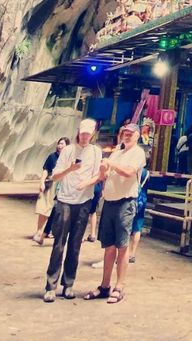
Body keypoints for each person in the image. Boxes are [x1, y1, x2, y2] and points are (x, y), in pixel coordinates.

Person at [84, 122, 146, 304]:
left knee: (122, 246)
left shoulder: (138, 153)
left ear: (138, 136)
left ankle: (119, 286)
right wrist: (103, 168)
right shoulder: (117, 153)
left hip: (125, 203)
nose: (126, 135)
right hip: (109, 203)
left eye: (130, 133)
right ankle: (104, 285)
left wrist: (111, 163)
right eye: (124, 132)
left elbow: (128, 172)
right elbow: (104, 176)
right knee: (109, 246)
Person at [43, 119, 102, 302]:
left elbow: (98, 175)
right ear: (78, 132)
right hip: (65, 201)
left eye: (88, 133)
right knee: (59, 243)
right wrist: (71, 168)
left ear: (92, 134)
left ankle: (68, 284)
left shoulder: (95, 152)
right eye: (82, 133)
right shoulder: (68, 150)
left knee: (75, 245)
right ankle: (51, 285)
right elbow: (55, 176)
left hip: (84, 201)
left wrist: (88, 183)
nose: (85, 136)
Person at [33, 137, 69, 245]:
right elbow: (46, 170)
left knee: (55, 210)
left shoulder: (68, 158)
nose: (60, 146)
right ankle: (39, 231)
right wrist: (42, 182)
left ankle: (49, 231)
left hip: (62, 185)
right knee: (44, 207)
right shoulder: (52, 157)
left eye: (62, 144)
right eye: (59, 143)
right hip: (51, 184)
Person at [128, 165, 150, 264]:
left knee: (126, 227)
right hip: (142, 200)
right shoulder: (147, 173)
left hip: (131, 199)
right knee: (137, 228)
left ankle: (124, 254)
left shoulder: (133, 171)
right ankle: (132, 254)